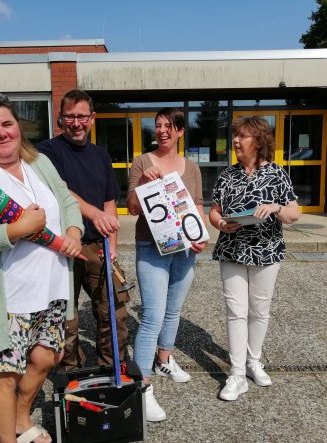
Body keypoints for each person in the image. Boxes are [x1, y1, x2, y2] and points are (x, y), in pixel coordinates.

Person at [0, 93, 84, 443]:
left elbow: (67, 199)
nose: (1, 133)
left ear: (18, 127)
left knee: (46, 358)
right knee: (5, 375)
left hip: (53, 287)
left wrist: (73, 231)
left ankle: (22, 419)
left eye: (7, 124)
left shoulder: (38, 162)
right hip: (10, 295)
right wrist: (16, 230)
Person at [208, 116, 300, 401]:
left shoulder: (277, 173)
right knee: (236, 311)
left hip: (267, 251)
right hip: (232, 251)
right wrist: (221, 224)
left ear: (258, 142)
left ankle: (253, 361)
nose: (236, 141)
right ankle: (236, 374)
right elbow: (214, 212)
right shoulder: (227, 176)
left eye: (242, 137)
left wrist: (274, 207)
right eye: (235, 136)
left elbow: (294, 214)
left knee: (259, 310)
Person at [36, 90, 129, 370]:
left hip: (96, 246)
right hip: (60, 246)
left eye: (82, 117)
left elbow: (109, 200)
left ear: (92, 118)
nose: (76, 123)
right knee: (67, 317)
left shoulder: (100, 155)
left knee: (114, 309)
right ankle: (71, 371)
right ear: (60, 119)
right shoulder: (46, 152)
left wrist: (111, 243)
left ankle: (112, 367)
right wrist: (94, 213)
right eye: (70, 116)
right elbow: (60, 191)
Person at [127, 107, 208, 422]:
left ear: (179, 132)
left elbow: (198, 205)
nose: (161, 130)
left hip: (185, 248)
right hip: (151, 246)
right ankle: (142, 385)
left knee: (173, 311)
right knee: (152, 317)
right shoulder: (142, 162)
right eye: (158, 125)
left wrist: (201, 235)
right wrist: (143, 185)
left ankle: (164, 360)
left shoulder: (192, 168)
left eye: (168, 126)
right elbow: (133, 208)